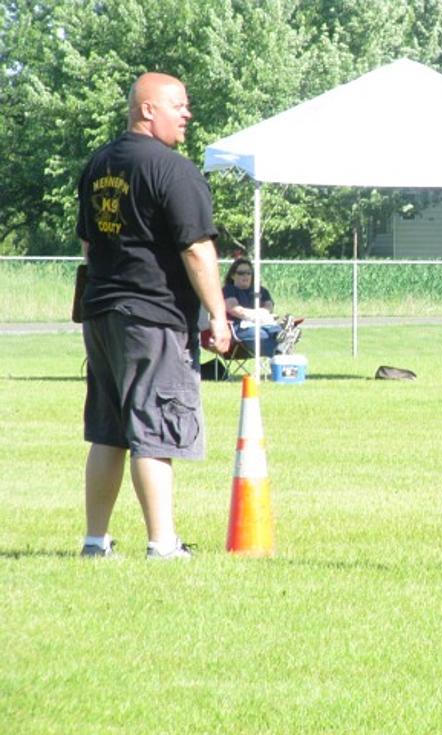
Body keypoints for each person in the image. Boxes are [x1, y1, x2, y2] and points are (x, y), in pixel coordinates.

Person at [76, 71, 231, 559]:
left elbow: (87, 242)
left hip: (101, 311)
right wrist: (218, 316)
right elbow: (197, 249)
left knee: (109, 430)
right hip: (152, 317)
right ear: (148, 110)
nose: (187, 114)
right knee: (153, 430)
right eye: (178, 105)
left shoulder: (98, 165)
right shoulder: (172, 170)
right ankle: (163, 544)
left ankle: (95, 541)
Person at [221, 258, 301, 356]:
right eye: (241, 273)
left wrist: (262, 315)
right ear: (233, 275)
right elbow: (234, 309)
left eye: (248, 273)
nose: (245, 276)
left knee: (271, 329)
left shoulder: (260, 290)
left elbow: (269, 307)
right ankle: (283, 344)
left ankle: (283, 336)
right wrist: (257, 315)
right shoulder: (228, 290)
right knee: (262, 334)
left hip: (263, 323)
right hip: (239, 327)